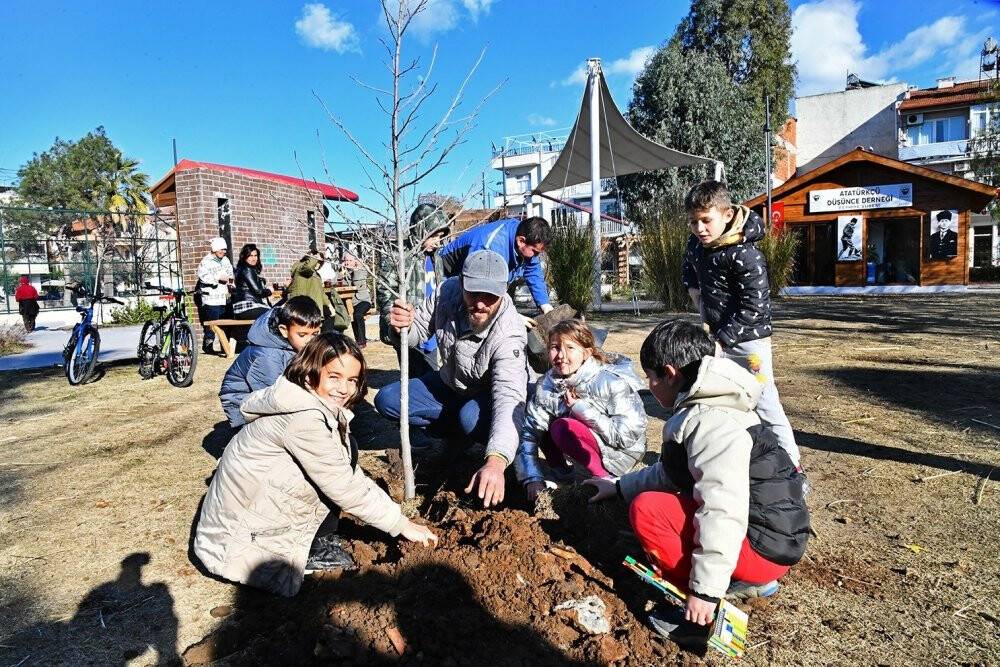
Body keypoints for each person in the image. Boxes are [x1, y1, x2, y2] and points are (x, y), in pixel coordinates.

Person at [585, 320, 809, 645]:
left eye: (651, 376)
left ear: (671, 373)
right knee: (655, 498)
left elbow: (722, 509)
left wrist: (705, 591)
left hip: (763, 548)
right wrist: (618, 486)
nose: (649, 384)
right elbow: (670, 473)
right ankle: (751, 582)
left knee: (649, 510)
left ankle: (701, 610)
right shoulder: (713, 404)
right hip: (773, 540)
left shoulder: (711, 424)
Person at [194, 333, 438, 597]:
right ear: (310, 374)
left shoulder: (302, 400)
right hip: (238, 546)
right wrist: (400, 524)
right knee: (337, 473)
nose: (344, 389)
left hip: (244, 524)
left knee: (347, 450)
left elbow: (344, 472)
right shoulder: (304, 419)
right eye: (334, 377)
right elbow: (343, 484)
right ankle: (310, 549)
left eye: (352, 380)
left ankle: (316, 538)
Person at [374, 250, 528, 508]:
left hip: (485, 398)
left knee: (470, 417)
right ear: (462, 283)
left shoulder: (509, 333)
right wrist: (403, 326)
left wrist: (496, 460)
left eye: (490, 296)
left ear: (503, 292)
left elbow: (508, 398)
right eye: (473, 292)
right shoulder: (447, 292)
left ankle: (470, 436)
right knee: (388, 400)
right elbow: (417, 332)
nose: (480, 303)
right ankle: (457, 436)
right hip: (450, 383)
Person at [681, 180, 801, 468]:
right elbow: (689, 269)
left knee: (764, 402)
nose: (700, 229)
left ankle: (792, 467)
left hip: (748, 344)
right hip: (715, 338)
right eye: (694, 222)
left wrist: (722, 339)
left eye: (706, 221)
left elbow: (755, 307)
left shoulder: (746, 254)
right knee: (716, 400)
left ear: (726, 214)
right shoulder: (697, 245)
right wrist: (697, 300)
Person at [515, 319, 647, 504]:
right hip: (588, 442)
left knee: (562, 427)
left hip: (621, 452)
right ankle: (562, 475)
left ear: (586, 352)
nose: (561, 355)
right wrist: (531, 478)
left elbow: (627, 435)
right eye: (555, 347)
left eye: (570, 348)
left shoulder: (609, 382)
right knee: (543, 423)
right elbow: (529, 433)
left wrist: (581, 410)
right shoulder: (547, 385)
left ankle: (603, 477)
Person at [219, 296, 323, 429]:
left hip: (268, 394)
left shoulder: (294, 344)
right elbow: (273, 396)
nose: (310, 340)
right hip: (240, 402)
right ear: (283, 330)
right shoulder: (268, 356)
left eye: (315, 334)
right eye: (302, 335)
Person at [376, 203, 452, 376]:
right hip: (408, 327)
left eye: (440, 236)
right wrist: (395, 323)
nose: (438, 242)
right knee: (415, 376)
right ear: (420, 230)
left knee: (432, 374)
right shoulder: (399, 255)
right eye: (433, 236)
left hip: (431, 326)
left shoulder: (436, 258)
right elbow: (385, 291)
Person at [438, 216, 554, 314]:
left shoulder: (526, 238)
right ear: (521, 241)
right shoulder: (489, 248)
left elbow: (532, 270)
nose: (535, 256)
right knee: (449, 311)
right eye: (535, 252)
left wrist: (544, 304)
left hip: (477, 272)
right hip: (446, 270)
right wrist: (509, 314)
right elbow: (480, 289)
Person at [287, 252, 348, 333]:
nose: (318, 264)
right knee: (305, 328)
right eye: (317, 261)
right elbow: (308, 267)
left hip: (314, 305)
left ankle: (324, 340)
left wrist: (329, 305)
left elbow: (321, 292)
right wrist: (315, 257)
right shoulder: (300, 268)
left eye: (320, 262)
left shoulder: (316, 275)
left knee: (331, 317)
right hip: (302, 306)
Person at [196, 238, 235, 354]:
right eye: (221, 249)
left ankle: (225, 346)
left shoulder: (226, 260)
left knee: (226, 322)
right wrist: (217, 278)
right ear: (215, 249)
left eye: (225, 249)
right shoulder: (206, 261)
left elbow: (230, 273)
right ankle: (208, 346)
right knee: (212, 324)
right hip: (212, 298)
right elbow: (203, 277)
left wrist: (231, 283)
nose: (223, 252)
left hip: (225, 297)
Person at [232, 243, 272, 321]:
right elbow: (259, 292)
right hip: (248, 307)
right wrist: (270, 291)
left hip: (242, 308)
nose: (253, 258)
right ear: (245, 257)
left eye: (255, 255)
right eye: (250, 256)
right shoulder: (247, 269)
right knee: (277, 314)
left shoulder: (242, 269)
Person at [343, 253, 372, 348]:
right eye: (346, 260)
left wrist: (356, 270)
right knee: (351, 315)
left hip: (364, 300)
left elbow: (357, 283)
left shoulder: (362, 269)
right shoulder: (345, 272)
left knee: (357, 315)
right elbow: (337, 283)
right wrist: (341, 272)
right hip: (351, 302)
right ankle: (357, 340)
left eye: (350, 260)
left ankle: (362, 341)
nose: (347, 262)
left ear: (355, 261)